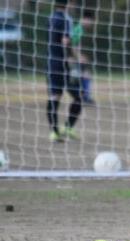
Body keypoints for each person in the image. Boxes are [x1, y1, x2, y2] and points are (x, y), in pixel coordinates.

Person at [46, 0, 82, 142]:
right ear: (68, 4)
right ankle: (68, 127)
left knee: (55, 96)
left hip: (50, 63)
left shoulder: (50, 18)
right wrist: (73, 57)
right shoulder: (67, 19)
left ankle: (55, 132)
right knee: (78, 97)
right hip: (62, 64)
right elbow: (65, 42)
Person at [70, 9, 95, 105]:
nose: (91, 24)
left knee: (86, 75)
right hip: (75, 59)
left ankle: (84, 98)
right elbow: (73, 45)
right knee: (81, 77)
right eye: (91, 21)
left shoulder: (81, 29)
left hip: (78, 59)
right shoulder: (78, 29)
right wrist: (79, 56)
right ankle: (83, 98)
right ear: (85, 19)